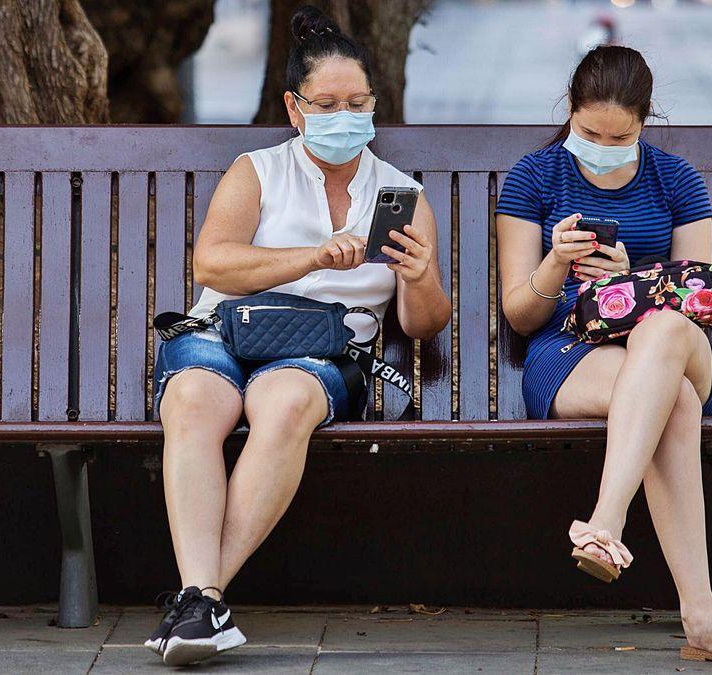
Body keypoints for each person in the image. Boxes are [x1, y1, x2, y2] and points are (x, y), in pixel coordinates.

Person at [145, 5, 451, 667]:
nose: (345, 115)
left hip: (322, 352)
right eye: (327, 102)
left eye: (358, 101)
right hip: (223, 329)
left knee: (284, 402)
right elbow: (212, 264)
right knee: (195, 400)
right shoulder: (258, 171)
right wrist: (311, 256)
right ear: (294, 107)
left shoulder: (400, 194)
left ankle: (198, 599)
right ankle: (204, 604)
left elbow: (423, 324)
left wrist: (421, 277)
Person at [495, 45, 712, 666]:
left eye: (619, 135)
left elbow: (696, 297)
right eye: (588, 132)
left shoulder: (676, 179)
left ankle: (606, 522)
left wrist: (635, 281)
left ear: (644, 122)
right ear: (569, 113)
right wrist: (555, 263)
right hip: (572, 353)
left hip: (679, 343)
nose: (603, 144)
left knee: (660, 329)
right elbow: (521, 317)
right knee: (672, 402)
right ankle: (703, 617)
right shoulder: (535, 177)